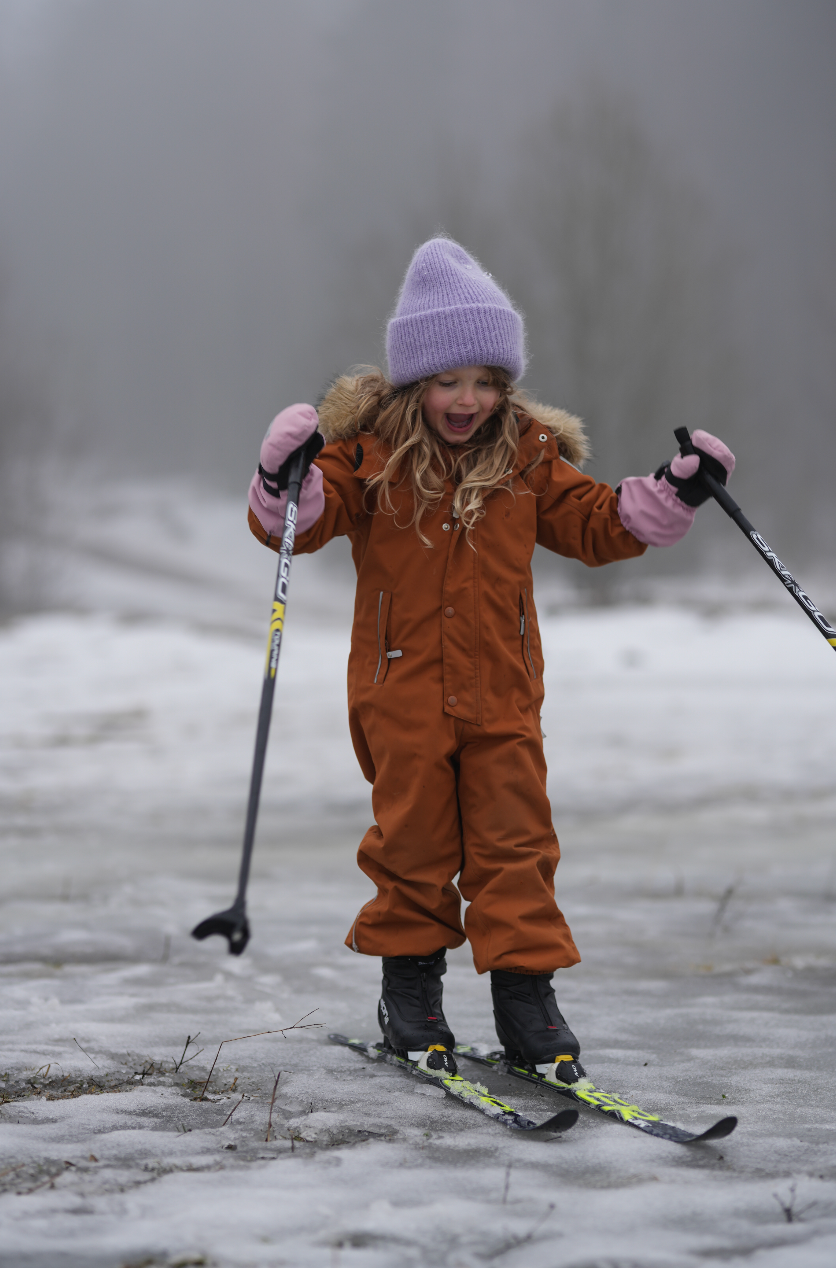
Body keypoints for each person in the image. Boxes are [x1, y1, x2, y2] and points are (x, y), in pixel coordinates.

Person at [247, 237, 734, 1079]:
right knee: (414, 847)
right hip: (401, 693)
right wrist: (283, 478)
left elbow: (599, 522)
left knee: (518, 847)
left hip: (504, 696)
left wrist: (672, 492)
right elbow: (304, 521)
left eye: (486, 382)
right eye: (449, 381)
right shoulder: (372, 458)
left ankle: (526, 1001)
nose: (468, 399)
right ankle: (412, 996)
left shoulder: (527, 458)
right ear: (415, 381)